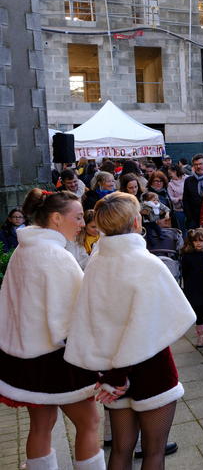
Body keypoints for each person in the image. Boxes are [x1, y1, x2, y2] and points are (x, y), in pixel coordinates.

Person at [63, 192, 193, 469]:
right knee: (154, 452)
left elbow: (86, 319)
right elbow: (180, 315)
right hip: (151, 366)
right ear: (136, 222)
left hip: (111, 368)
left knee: (120, 449)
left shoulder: (96, 263)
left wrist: (110, 372)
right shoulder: (147, 264)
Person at [0, 190, 102, 470]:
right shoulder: (56, 256)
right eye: (78, 217)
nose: (82, 223)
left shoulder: (24, 249)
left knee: (41, 426)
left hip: (23, 356)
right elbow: (72, 317)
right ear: (57, 218)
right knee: (89, 422)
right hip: (58, 360)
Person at [182, 228, 203, 348]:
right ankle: (200, 335)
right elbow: (185, 273)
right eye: (195, 241)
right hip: (194, 287)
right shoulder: (188, 255)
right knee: (198, 311)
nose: (198, 243)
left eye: (201, 241)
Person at [183, 153, 203, 229]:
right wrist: (189, 217)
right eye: (195, 164)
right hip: (193, 220)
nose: (198, 167)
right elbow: (185, 200)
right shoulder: (188, 180)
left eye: (200, 164)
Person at [167, 165, 187, 232]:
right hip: (179, 210)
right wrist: (179, 198)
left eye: (170, 173)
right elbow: (171, 198)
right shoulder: (170, 184)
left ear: (175, 171)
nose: (169, 175)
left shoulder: (187, 178)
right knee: (182, 229)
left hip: (190, 209)